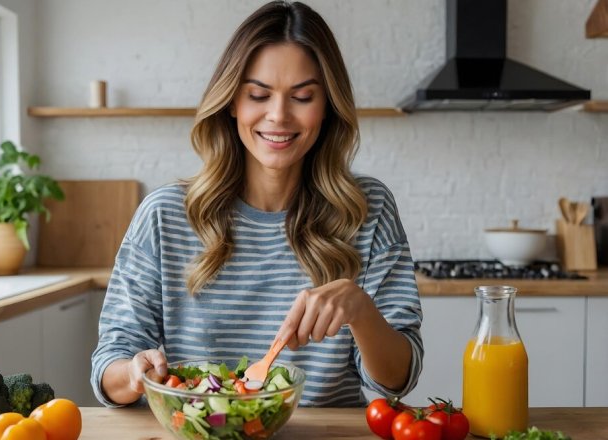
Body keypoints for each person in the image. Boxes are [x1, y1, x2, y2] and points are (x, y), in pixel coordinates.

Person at [91, 0, 423, 408]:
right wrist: (134, 372)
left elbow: (398, 380)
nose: (278, 115)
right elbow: (109, 365)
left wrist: (361, 311)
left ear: (328, 106)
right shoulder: (165, 216)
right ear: (232, 101)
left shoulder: (367, 209)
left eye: (302, 96)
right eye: (258, 95)